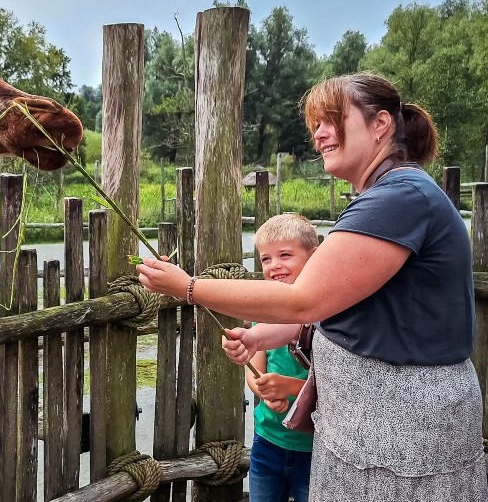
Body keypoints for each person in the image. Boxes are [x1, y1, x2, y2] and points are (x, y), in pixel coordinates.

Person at [137, 73, 487, 501]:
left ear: (380, 125)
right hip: (368, 429)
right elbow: (338, 310)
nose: (319, 133)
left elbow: (302, 300)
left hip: (399, 433)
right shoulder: (385, 196)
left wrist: (188, 288)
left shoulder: (399, 198)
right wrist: (259, 335)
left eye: (332, 119)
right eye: (315, 124)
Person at [237, 213, 318, 502]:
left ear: (314, 256)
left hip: (315, 447)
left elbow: (338, 385)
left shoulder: (324, 317)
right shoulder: (266, 315)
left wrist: (289, 387)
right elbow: (254, 371)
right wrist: (264, 389)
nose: (274, 266)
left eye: (285, 255)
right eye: (266, 259)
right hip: (267, 440)